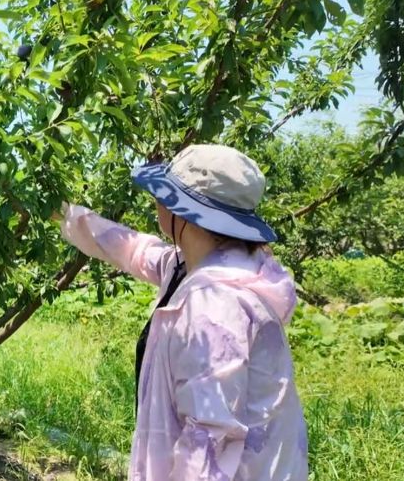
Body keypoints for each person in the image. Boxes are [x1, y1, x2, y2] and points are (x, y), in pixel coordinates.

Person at [57, 145, 308, 480]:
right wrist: (64, 214)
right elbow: (132, 248)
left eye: (164, 194)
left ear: (182, 211)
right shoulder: (193, 265)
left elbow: (209, 442)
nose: (156, 201)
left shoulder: (215, 306)